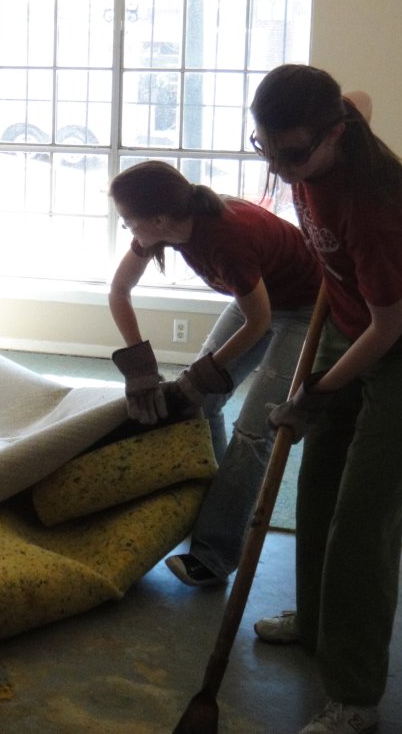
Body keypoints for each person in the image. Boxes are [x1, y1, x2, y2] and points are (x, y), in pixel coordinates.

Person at [249, 64, 402, 734]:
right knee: (318, 483)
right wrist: (323, 389)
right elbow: (362, 96)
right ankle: (316, 622)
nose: (281, 170)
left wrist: (315, 391)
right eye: (266, 149)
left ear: (334, 134)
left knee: (363, 521)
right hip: (353, 326)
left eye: (294, 155)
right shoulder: (333, 127)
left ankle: (355, 696)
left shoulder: (372, 207)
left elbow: (392, 325)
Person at [108, 161, 321, 588]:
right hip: (256, 302)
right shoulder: (164, 228)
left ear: (159, 219)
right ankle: (216, 506)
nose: (126, 227)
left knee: (255, 430)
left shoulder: (227, 239)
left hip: (303, 310)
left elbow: (259, 323)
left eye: (128, 220)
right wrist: (140, 370)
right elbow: (119, 291)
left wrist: (198, 377)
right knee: (200, 405)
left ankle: (214, 555)